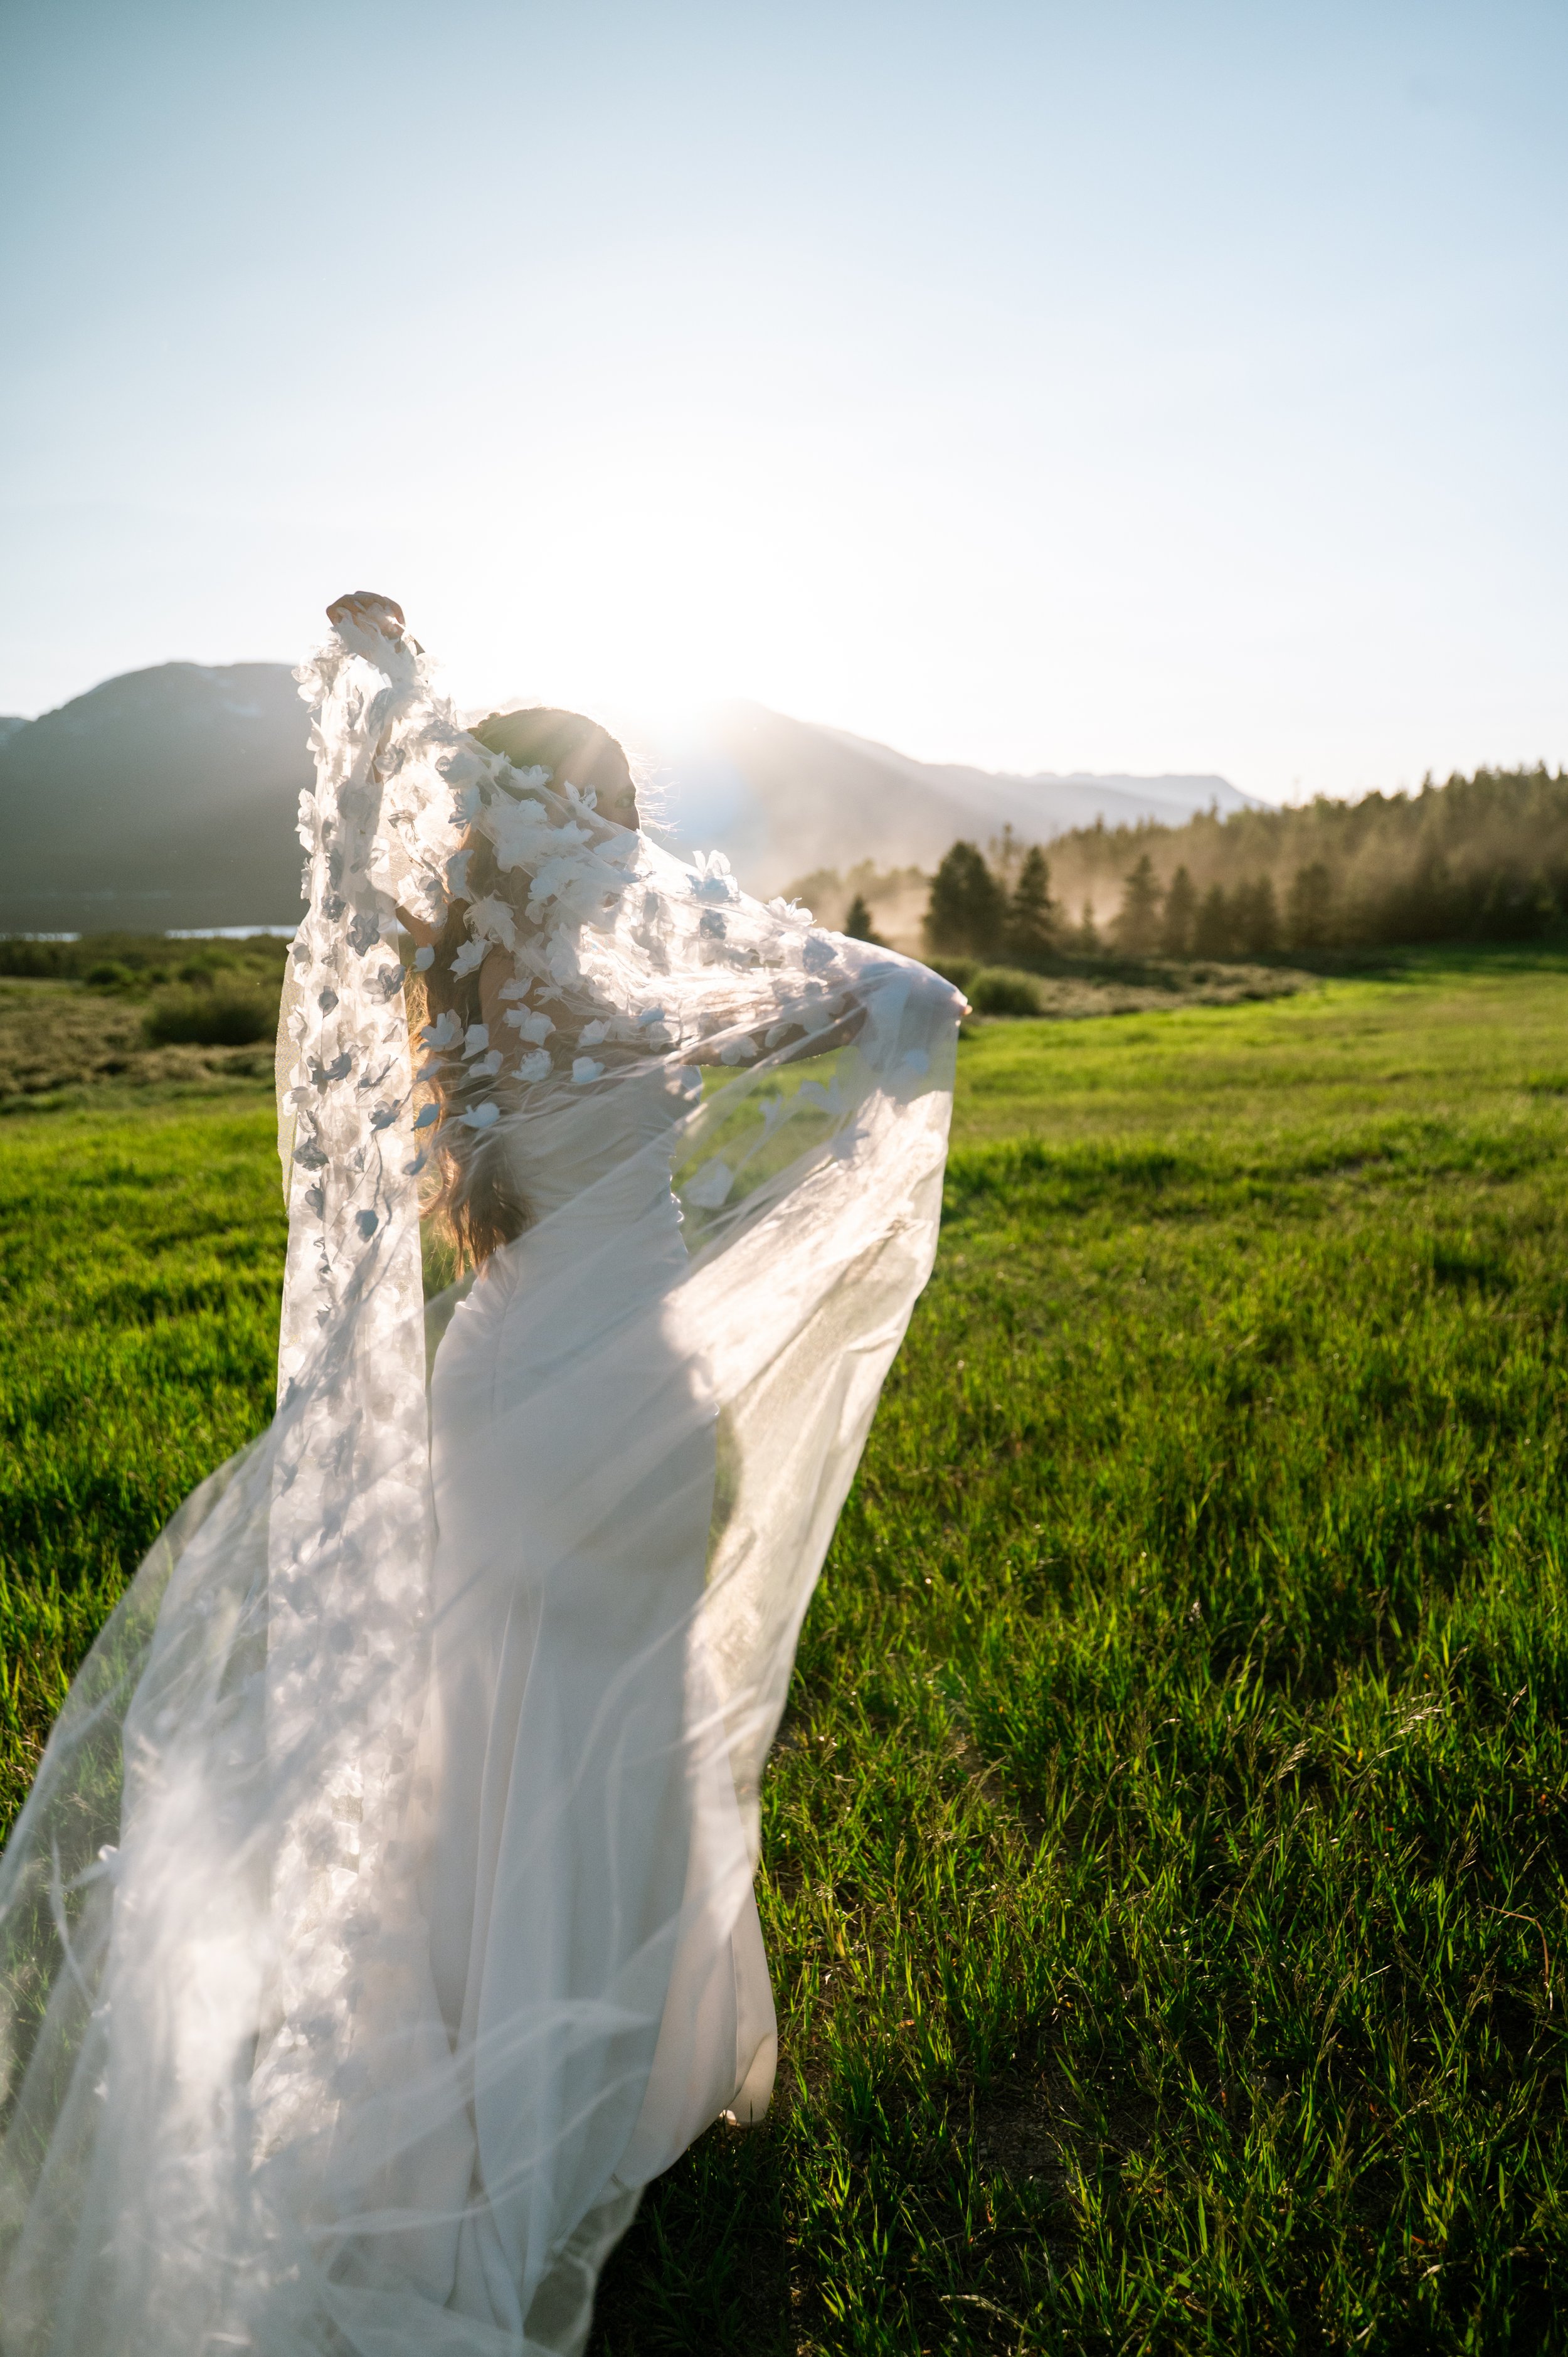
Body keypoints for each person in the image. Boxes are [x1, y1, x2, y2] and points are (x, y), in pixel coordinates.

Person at [0, 595, 963, 2356]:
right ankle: (608, 2102)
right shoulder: (652, 989)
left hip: (501, 1394)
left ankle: (464, 2070)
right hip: (640, 1406)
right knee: (616, 1732)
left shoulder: (441, 989)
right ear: (606, 833)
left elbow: (372, 853)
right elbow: (901, 1013)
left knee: (483, 1726)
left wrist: (384, 695)